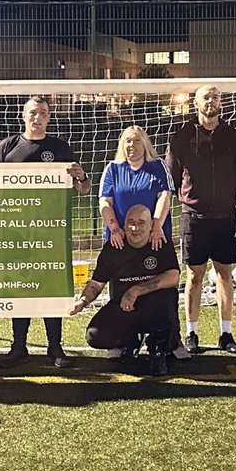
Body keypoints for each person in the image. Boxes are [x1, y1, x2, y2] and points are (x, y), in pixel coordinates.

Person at [0, 95, 92, 369]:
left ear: (49, 118)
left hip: (50, 232)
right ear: (23, 116)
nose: (38, 118)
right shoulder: (7, 147)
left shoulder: (59, 148)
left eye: (43, 113)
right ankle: (18, 346)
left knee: (51, 286)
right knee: (20, 286)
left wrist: (82, 176)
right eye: (33, 113)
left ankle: (55, 347)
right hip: (14, 232)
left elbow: (83, 189)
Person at [165, 84, 236, 355]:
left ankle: (226, 334)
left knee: (224, 274)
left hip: (225, 216)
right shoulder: (182, 136)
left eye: (215, 97)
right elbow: (172, 176)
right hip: (194, 217)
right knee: (195, 276)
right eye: (205, 98)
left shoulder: (233, 136)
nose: (211, 102)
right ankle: (192, 333)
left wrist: (224, 197)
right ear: (196, 103)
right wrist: (191, 199)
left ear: (220, 103)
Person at [98, 124, 184, 360]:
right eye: (127, 141)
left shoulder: (158, 167)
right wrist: (114, 228)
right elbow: (105, 202)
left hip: (154, 239)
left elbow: (165, 196)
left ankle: (172, 339)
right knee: (120, 288)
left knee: (163, 286)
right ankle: (124, 340)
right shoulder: (113, 169)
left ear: (145, 144)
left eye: (136, 141)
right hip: (122, 241)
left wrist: (156, 226)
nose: (132, 146)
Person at [71, 204, 180, 377]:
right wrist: (83, 301)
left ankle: (158, 350)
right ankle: (130, 340)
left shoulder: (160, 243)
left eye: (141, 223)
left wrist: (137, 289)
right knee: (95, 336)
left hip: (154, 307)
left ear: (151, 225)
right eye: (131, 222)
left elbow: (174, 277)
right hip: (123, 306)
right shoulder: (113, 248)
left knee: (167, 293)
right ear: (124, 224)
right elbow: (96, 284)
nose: (135, 228)